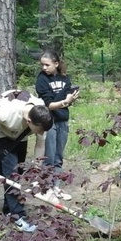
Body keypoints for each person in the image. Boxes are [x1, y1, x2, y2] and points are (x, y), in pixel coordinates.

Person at [0, 92, 54, 232]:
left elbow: (40, 146)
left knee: (16, 172)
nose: (41, 133)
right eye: (40, 130)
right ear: (29, 122)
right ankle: (18, 216)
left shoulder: (41, 116)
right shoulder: (4, 113)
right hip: (0, 132)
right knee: (12, 175)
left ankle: (8, 211)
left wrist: (36, 172)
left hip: (21, 135)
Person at [35, 50, 79, 201]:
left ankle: (56, 187)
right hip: (48, 121)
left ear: (56, 64)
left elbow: (63, 97)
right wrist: (65, 101)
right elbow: (48, 104)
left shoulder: (65, 78)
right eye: (42, 65)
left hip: (62, 120)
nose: (44, 68)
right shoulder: (41, 79)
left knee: (59, 156)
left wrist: (66, 100)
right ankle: (45, 188)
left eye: (47, 65)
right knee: (49, 155)